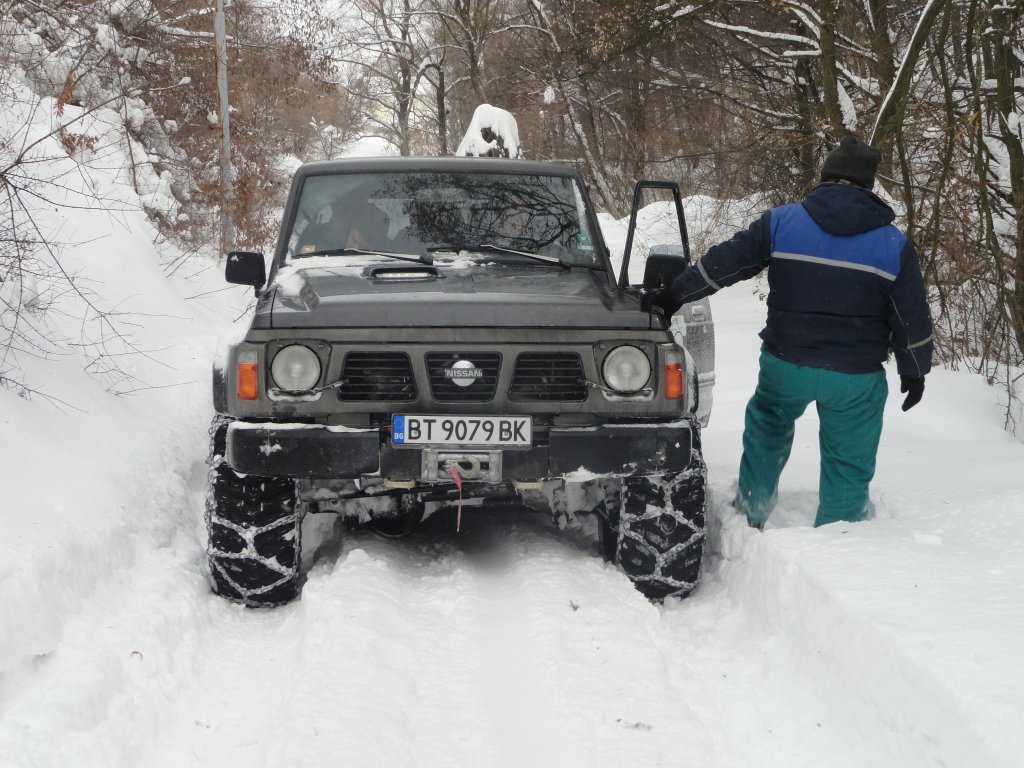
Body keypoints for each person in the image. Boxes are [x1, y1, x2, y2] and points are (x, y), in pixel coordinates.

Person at [644, 134, 933, 529]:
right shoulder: (892, 244)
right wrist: (914, 369)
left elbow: (725, 264)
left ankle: (751, 512)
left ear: (825, 176)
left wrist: (675, 293)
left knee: (768, 427)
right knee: (849, 455)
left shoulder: (782, 222)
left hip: (786, 363)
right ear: (868, 185)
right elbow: (909, 315)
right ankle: (840, 531)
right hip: (854, 375)